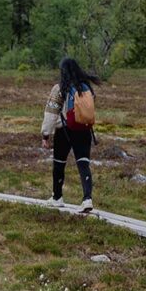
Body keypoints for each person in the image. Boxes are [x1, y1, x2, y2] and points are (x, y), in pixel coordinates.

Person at [41, 57, 102, 211]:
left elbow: (51, 113)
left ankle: (57, 197)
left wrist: (45, 134)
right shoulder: (86, 87)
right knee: (83, 164)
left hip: (65, 131)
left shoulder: (60, 88)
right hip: (85, 130)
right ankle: (87, 199)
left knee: (59, 164)